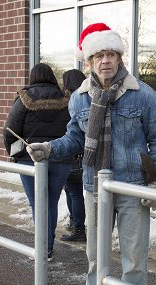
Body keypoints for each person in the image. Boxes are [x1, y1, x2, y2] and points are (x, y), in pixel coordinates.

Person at [26, 23, 156, 285]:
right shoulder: (79, 99)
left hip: (132, 187)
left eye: (111, 54)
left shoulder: (142, 94)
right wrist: (48, 149)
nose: (105, 61)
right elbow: (75, 138)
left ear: (119, 58)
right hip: (94, 186)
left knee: (134, 257)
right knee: (95, 256)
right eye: (98, 55)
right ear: (88, 63)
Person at [3, 62, 72, 261]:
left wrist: (14, 153)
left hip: (29, 158)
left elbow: (9, 130)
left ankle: (43, 247)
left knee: (37, 204)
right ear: (52, 77)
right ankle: (48, 245)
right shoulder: (66, 99)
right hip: (60, 158)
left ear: (33, 77)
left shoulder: (23, 98)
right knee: (51, 202)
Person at [60, 69, 87, 242]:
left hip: (72, 154)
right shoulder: (86, 99)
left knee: (73, 191)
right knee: (72, 191)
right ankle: (75, 223)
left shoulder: (70, 101)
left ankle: (78, 227)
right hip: (82, 152)